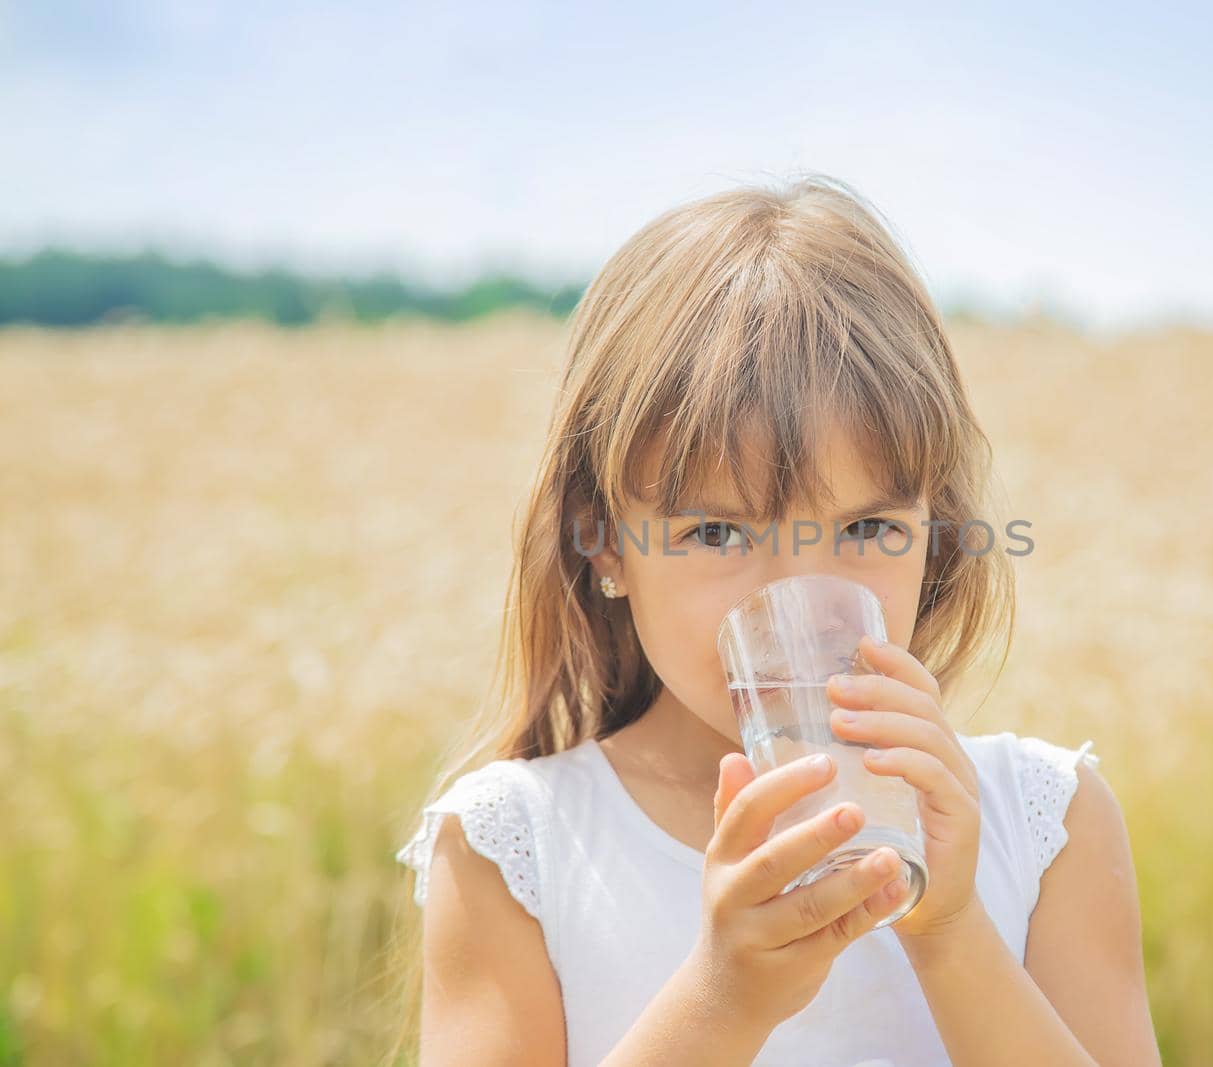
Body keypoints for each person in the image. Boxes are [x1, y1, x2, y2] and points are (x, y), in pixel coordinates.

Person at [393, 172, 1161, 1066]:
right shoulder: (516, 846)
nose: (801, 599)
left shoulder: (1043, 823)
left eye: (868, 526)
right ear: (602, 544)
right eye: (718, 530)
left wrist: (951, 932)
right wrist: (722, 1001)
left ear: (936, 531)